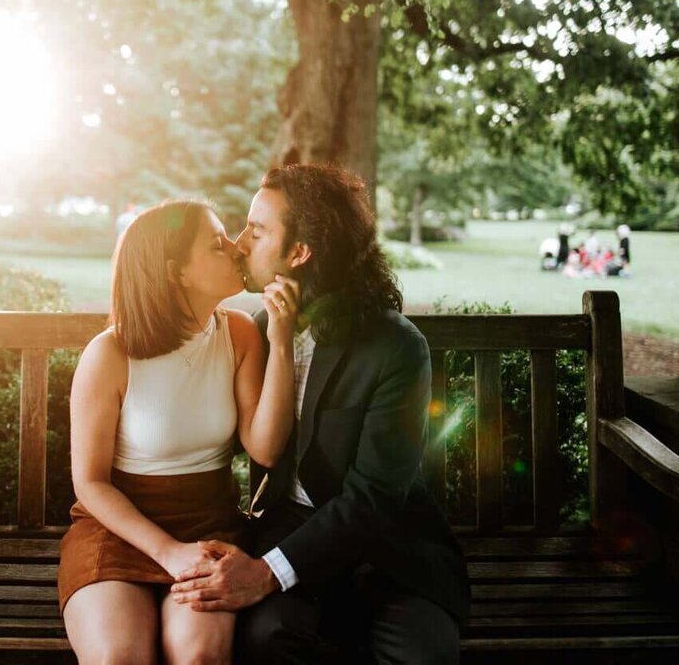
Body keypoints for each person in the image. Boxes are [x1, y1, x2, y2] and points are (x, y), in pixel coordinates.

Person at [170, 165, 471, 664]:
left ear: (300, 252)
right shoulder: (261, 330)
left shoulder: (394, 346)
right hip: (288, 531)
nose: (241, 243)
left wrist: (268, 573)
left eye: (258, 231)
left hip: (388, 554)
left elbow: (373, 499)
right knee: (264, 639)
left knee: (424, 658)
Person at [58, 200, 302, 664]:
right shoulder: (110, 354)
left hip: (207, 528)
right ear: (178, 273)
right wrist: (167, 552)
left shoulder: (241, 333)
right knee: (120, 657)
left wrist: (282, 340)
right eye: (216, 243)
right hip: (118, 533)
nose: (235, 248)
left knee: (199, 656)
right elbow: (89, 483)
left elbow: (266, 449)